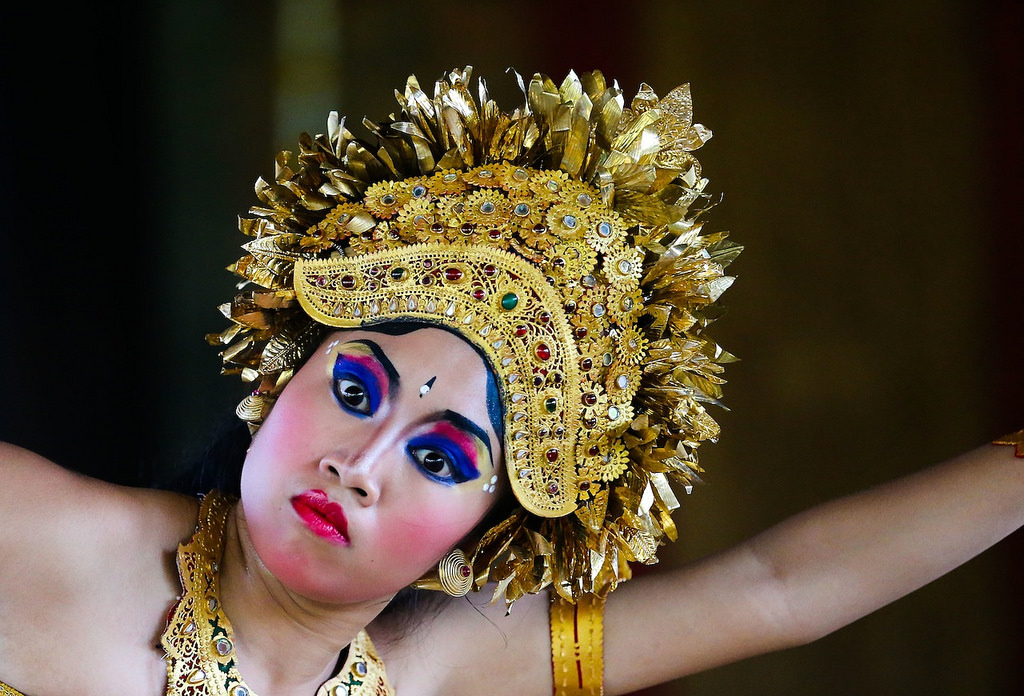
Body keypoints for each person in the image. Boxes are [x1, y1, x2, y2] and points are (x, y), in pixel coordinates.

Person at [0, 66, 1020, 696]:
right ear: (279, 375)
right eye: (356, 391)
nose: (359, 466)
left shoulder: (443, 667)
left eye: (440, 456)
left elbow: (776, 591)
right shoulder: (40, 536)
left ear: (491, 530)